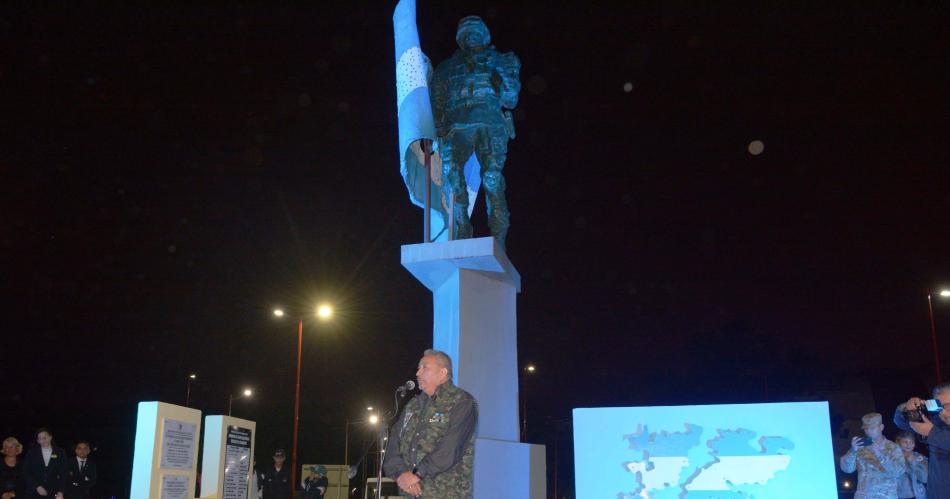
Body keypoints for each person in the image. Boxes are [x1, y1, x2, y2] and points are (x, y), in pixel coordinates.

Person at [431, 16, 521, 248]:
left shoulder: (501, 60)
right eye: (465, 33)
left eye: (475, 32)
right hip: (456, 126)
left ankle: (498, 232)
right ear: (460, 39)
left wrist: (502, 69)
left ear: (485, 35)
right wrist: (439, 129)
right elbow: (437, 102)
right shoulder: (446, 67)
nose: (470, 36)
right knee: (451, 174)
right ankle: (462, 225)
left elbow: (510, 100)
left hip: (489, 123)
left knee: (492, 178)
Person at [383, 349, 478, 498]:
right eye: (418, 368)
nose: (417, 373)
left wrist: (417, 474)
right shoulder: (413, 405)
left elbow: (450, 449)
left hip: (446, 493)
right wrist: (401, 474)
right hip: (410, 493)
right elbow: (395, 441)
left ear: (442, 373)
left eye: (424, 368)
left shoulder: (462, 402)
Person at [894, 382, 950, 497]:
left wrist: (931, 432)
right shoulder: (938, 423)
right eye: (940, 407)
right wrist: (907, 407)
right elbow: (900, 422)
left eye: (948, 406)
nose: (944, 413)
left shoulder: (934, 429)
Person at [839, 412, 905, 498]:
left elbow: (899, 472)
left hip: (885, 496)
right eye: (866, 429)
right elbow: (847, 469)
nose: (868, 431)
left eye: (872, 428)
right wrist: (853, 450)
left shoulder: (892, 447)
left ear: (881, 427)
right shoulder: (860, 446)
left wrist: (880, 454)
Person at [22, 429, 66, 499]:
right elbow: (26, 471)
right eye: (40, 438)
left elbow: (63, 473)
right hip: (33, 492)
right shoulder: (31, 453)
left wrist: (61, 491)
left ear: (50, 437)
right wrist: (37, 486)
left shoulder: (60, 452)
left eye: (45, 437)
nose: (43, 440)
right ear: (38, 441)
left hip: (53, 492)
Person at [895, 431, 927, 499]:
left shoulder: (920, 457)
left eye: (911, 442)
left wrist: (913, 463)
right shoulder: (893, 458)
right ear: (898, 442)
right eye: (905, 442)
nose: (908, 444)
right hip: (900, 495)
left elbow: (924, 478)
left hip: (918, 495)